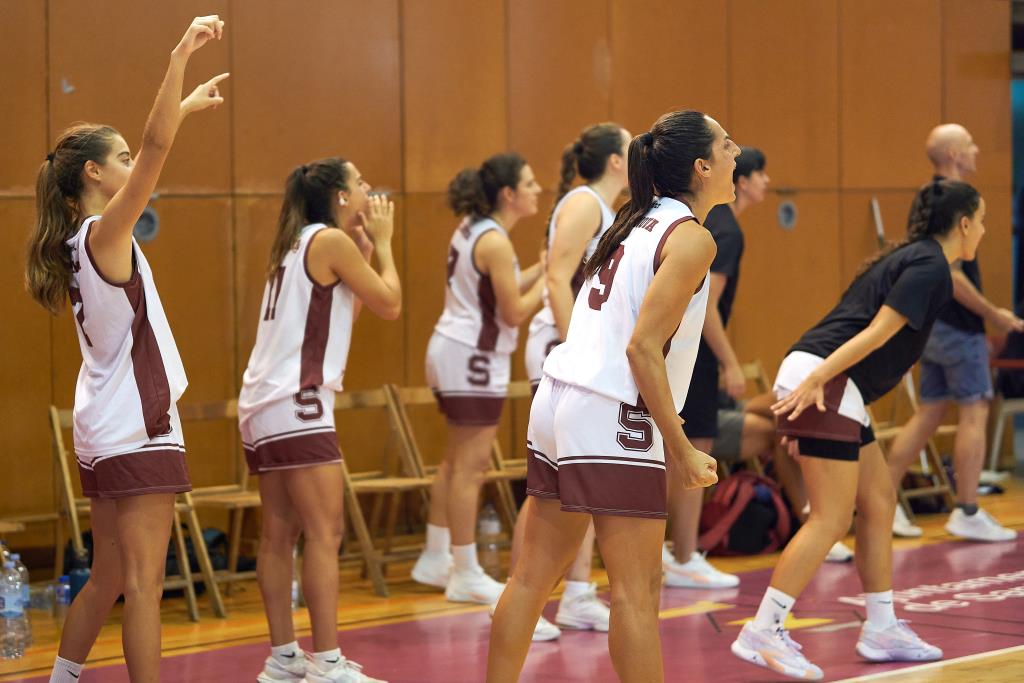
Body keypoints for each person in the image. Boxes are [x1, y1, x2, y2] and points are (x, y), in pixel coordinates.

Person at [488, 110, 733, 683]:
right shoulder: (691, 238)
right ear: (701, 167)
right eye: (727, 144)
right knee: (637, 589)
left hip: (560, 393)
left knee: (530, 577)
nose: (737, 152)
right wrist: (681, 447)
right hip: (612, 407)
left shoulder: (636, 217)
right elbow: (643, 350)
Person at [24, 16, 227, 683]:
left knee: (109, 574)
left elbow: (151, 151)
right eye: (119, 162)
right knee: (144, 584)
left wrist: (188, 105)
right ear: (94, 173)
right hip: (136, 427)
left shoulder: (83, 241)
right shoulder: (104, 237)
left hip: (104, 425)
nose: (132, 169)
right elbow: (155, 144)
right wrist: (178, 56)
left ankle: (61, 677)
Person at [732, 178, 983, 680]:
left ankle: (882, 627)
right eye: (982, 220)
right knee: (830, 518)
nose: (984, 229)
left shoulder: (913, 256)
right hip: (826, 379)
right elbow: (876, 332)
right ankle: (763, 629)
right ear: (963, 224)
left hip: (830, 384)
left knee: (879, 501)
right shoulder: (931, 265)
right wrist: (815, 384)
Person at [239, 158, 399, 683]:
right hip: (299, 403)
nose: (368, 190)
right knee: (325, 533)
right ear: (338, 196)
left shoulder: (295, 244)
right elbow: (391, 304)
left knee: (278, 535)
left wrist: (368, 252)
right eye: (360, 182)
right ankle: (329, 663)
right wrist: (387, 243)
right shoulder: (330, 242)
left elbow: (341, 319)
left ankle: (284, 658)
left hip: (264, 406)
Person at [508, 122, 630, 641]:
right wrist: (575, 346)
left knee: (577, 481)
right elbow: (558, 277)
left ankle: (578, 595)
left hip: (578, 353)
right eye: (632, 145)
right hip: (561, 352)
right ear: (617, 161)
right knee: (548, 488)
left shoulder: (602, 207)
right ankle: (523, 600)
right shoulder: (583, 203)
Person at [411, 153, 545, 605]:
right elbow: (513, 311)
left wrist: (543, 270)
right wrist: (555, 282)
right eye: (529, 183)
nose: (536, 189)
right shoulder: (497, 242)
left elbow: (498, 285)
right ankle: (466, 571)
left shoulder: (476, 228)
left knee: (454, 462)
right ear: (508, 194)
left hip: (451, 347)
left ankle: (435, 554)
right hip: (472, 356)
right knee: (471, 467)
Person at [885, 124, 1022, 541]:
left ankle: (883, 500)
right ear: (954, 156)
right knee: (975, 409)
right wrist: (993, 314)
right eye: (969, 144)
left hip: (932, 326)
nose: (978, 149)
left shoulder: (929, 199)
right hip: (954, 326)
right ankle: (967, 508)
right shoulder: (952, 200)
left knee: (929, 413)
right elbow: (953, 272)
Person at [664, 146, 768, 589]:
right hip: (697, 353)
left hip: (684, 348)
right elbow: (706, 306)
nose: (766, 182)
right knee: (696, 446)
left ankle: (678, 551)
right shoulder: (725, 230)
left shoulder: (713, 224)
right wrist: (729, 363)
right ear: (740, 181)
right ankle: (684, 555)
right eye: (761, 175)